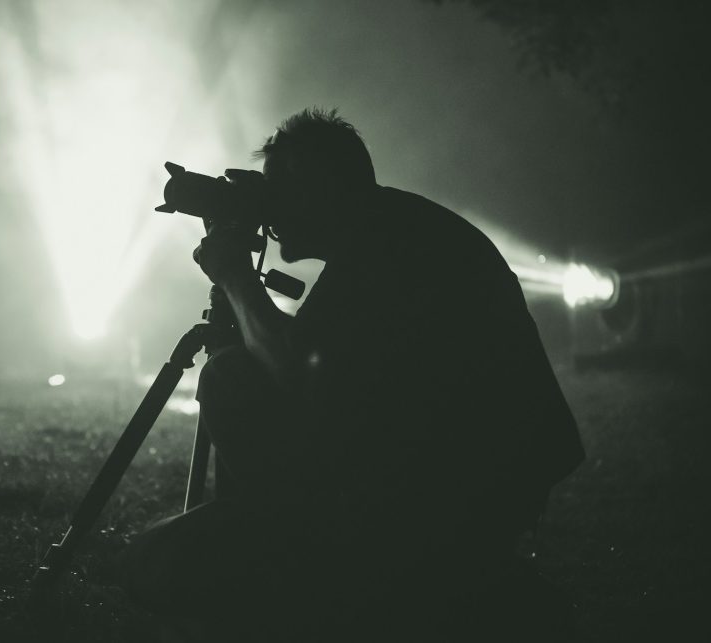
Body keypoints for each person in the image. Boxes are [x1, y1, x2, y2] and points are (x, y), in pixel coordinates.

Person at [118, 108, 585, 642]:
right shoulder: (394, 225)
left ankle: (352, 578)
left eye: (277, 192)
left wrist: (233, 275)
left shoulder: (384, 245)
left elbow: (291, 367)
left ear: (317, 189)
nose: (269, 214)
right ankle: (406, 575)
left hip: (454, 490)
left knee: (157, 557)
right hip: (470, 474)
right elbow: (326, 363)